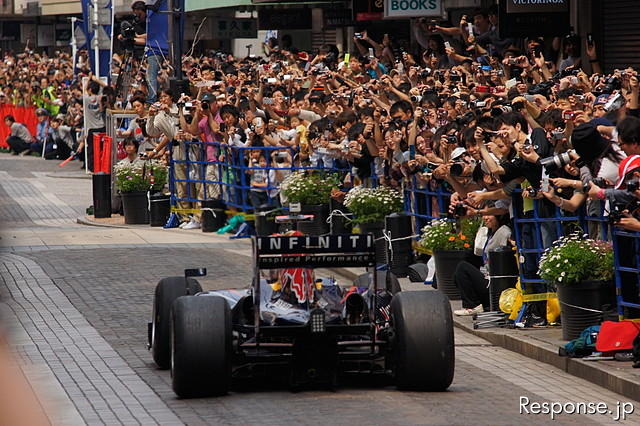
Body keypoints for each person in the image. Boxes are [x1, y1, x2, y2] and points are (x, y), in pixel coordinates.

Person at [453, 214, 512, 316]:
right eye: (484, 215)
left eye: (490, 215)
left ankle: (472, 306)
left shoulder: (504, 232)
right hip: (486, 273)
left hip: (495, 282)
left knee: (463, 267)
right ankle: (478, 304)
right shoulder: (489, 232)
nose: (485, 218)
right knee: (458, 274)